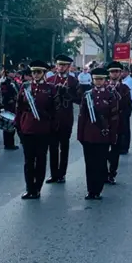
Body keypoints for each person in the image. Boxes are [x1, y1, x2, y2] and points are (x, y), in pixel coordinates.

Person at [15, 60, 57, 200]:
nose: (36, 74)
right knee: (28, 160)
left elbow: (54, 111)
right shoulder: (25, 87)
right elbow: (19, 108)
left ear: (44, 73)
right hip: (27, 128)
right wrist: (19, 126)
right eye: (34, 72)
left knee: (40, 159)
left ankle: (37, 188)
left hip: (43, 129)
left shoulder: (50, 88)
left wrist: (52, 128)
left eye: (39, 72)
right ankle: (29, 188)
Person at [77, 67, 119, 200]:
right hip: (89, 134)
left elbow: (114, 118)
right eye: (96, 79)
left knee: (101, 164)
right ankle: (91, 190)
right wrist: (80, 135)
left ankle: (98, 189)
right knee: (89, 164)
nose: (98, 82)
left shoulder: (111, 96)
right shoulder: (87, 95)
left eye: (101, 79)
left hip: (103, 135)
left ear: (105, 80)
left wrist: (112, 136)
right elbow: (82, 117)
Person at [46, 54, 80, 184]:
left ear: (68, 67)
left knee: (64, 147)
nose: (61, 67)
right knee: (52, 147)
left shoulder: (73, 81)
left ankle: (62, 174)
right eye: (59, 65)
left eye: (64, 65)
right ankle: (53, 174)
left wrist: (68, 94)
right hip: (52, 119)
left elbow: (80, 99)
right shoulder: (50, 80)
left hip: (66, 118)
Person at [106, 61, 132, 184]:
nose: (114, 74)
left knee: (115, 150)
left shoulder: (124, 89)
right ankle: (103, 173)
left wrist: (122, 122)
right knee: (103, 151)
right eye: (112, 71)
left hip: (118, 123)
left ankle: (112, 173)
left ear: (121, 73)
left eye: (117, 71)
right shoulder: (104, 87)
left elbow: (128, 107)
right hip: (104, 124)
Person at [0, 67, 19, 151]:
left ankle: (11, 143)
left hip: (14, 106)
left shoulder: (13, 82)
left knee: (12, 125)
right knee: (8, 125)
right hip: (8, 106)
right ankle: (8, 144)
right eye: (12, 72)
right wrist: (11, 99)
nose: (14, 74)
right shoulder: (4, 82)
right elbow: (4, 94)